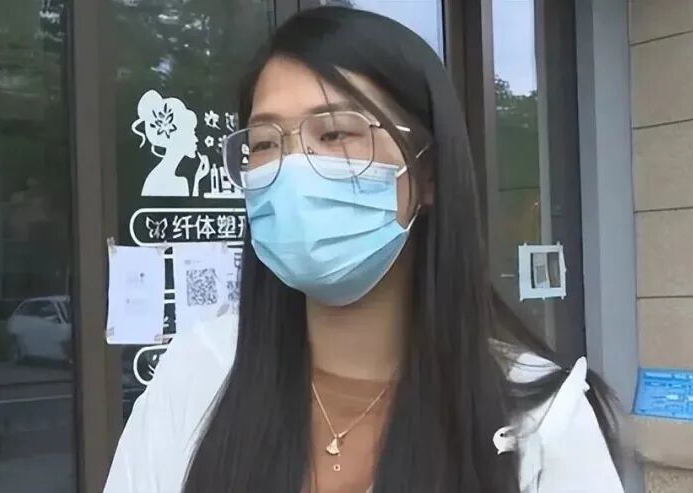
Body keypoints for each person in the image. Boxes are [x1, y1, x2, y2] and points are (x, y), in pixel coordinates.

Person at [105, 7, 623, 493]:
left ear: (426, 172)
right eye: (264, 143)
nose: (292, 169)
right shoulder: (199, 374)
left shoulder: (539, 422)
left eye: (334, 133)